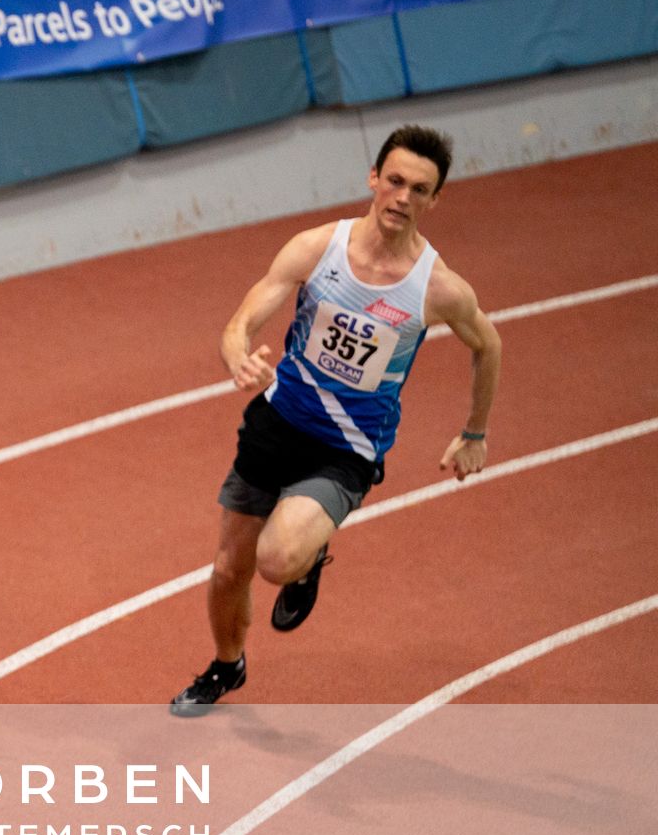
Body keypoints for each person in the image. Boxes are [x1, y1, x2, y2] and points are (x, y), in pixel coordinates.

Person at [170, 125, 502, 717]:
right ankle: (227, 667)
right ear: (373, 179)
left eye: (419, 189)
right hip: (277, 424)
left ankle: (308, 554)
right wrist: (237, 354)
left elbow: (489, 345)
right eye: (394, 181)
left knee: (275, 561)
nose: (402, 197)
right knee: (228, 571)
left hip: (346, 449)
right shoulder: (317, 248)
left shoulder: (438, 289)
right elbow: (245, 316)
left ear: (435, 200)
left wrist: (474, 431)